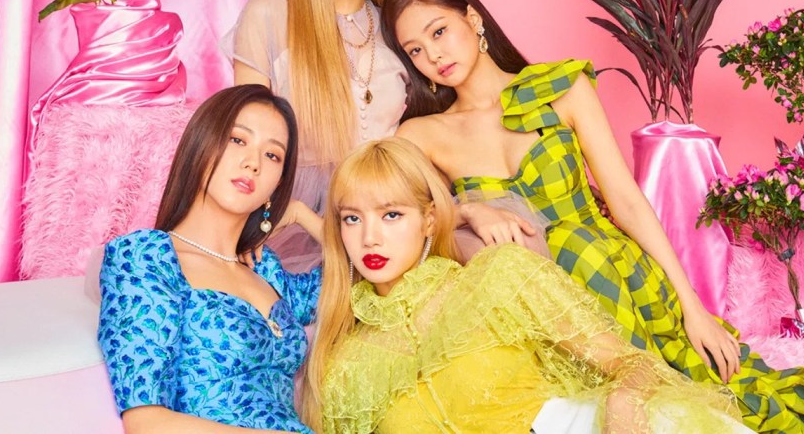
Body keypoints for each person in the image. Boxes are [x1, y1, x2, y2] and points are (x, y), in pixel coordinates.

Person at [379, 0, 804, 433]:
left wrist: (692, 307)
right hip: (535, 311)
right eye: (415, 49)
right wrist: (467, 210)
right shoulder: (420, 135)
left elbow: (625, 200)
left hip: (613, 275)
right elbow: (409, 223)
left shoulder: (561, 89)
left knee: (707, 398)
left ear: (473, 19)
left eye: (439, 32)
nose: (433, 56)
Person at [301, 137, 751, 434]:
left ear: (430, 221)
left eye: (391, 215)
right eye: (352, 218)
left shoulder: (496, 278)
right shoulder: (343, 367)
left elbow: (632, 363)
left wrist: (624, 399)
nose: (370, 238)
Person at [222, 0, 532, 271]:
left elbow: (438, 136)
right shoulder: (270, 14)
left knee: (504, 258)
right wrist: (295, 215)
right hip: (289, 223)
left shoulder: (399, 31)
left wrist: (466, 209)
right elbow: (243, 140)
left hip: (390, 224)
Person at [97, 85, 319, 433]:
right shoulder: (148, 258)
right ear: (201, 144)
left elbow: (363, 273)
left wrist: (302, 214)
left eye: (272, 155)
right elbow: (145, 422)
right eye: (237, 140)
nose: (253, 163)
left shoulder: (268, 272)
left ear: (278, 184)